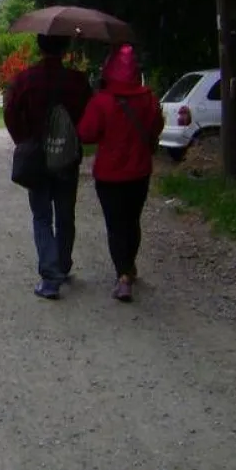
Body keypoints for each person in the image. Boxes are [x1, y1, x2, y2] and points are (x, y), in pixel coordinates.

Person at [3, 34, 93, 300]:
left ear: (40, 48)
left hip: (37, 159)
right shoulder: (77, 82)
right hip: (67, 158)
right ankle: (63, 266)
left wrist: (24, 140)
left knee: (42, 216)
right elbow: (89, 116)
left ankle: (50, 278)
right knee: (66, 215)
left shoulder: (26, 80)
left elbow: (10, 113)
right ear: (65, 49)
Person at [78, 44, 164, 303]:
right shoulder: (148, 98)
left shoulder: (102, 101)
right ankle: (129, 266)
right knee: (132, 220)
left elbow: (86, 134)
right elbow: (157, 126)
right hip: (139, 172)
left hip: (109, 176)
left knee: (116, 225)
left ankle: (123, 276)